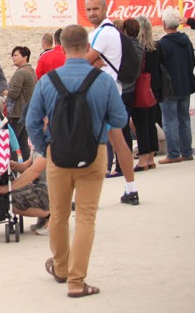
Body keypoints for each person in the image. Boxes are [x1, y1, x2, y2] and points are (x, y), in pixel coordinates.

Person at [25, 24, 128, 298]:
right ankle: (76, 281)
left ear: (61, 47)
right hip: (94, 154)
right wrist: (99, 124)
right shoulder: (103, 80)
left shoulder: (48, 81)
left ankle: (61, 268)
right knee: (85, 217)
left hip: (57, 156)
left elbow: (31, 121)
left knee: (58, 215)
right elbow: (120, 119)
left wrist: (46, 146)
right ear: (86, 46)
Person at [83, 0, 138, 204]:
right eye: (88, 9)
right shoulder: (105, 32)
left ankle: (85, 196)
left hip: (100, 93)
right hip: (112, 91)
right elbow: (88, 59)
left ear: (104, 9)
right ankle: (131, 189)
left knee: (90, 143)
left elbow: (82, 60)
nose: (92, 13)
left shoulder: (103, 33)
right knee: (119, 142)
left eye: (95, 9)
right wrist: (90, 59)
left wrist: (90, 59)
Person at [158, 7, 195, 164]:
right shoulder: (186, 40)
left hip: (170, 87)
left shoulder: (163, 44)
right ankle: (187, 152)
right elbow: (192, 60)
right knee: (184, 119)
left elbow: (160, 67)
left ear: (163, 24)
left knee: (170, 121)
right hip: (186, 83)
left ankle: (174, 153)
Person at [0, 151, 50, 235]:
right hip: (39, 187)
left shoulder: (50, 146)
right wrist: (15, 166)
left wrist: (7, 188)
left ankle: (51, 216)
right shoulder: (38, 145)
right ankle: (46, 217)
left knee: (10, 200)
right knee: (7, 197)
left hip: (51, 190)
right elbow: (28, 166)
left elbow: (34, 171)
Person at [132, 16, 164, 171]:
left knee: (141, 124)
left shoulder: (137, 47)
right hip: (155, 87)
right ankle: (151, 157)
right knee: (151, 123)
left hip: (141, 88)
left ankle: (143, 159)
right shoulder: (156, 46)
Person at [7, 46, 36, 159]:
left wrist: (4, 91)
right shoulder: (31, 70)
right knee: (23, 143)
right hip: (27, 111)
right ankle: (29, 170)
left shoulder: (21, 72)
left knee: (11, 143)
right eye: (12, 55)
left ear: (25, 57)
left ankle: (13, 169)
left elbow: (13, 93)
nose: (13, 57)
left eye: (16, 55)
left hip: (18, 112)